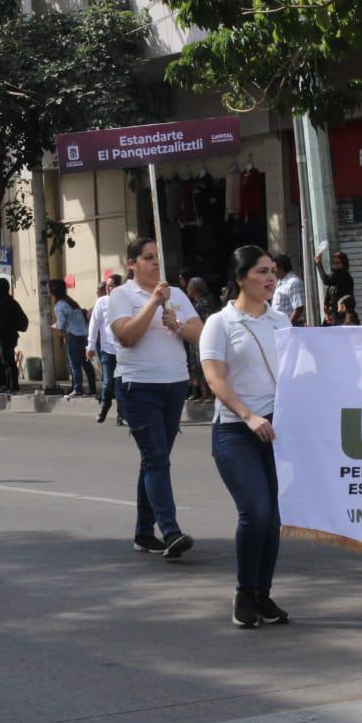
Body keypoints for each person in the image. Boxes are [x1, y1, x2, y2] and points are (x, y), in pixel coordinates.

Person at [200, 246, 292, 628]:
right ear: (240, 278)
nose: (271, 278)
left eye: (273, 271)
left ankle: (261, 595)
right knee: (255, 511)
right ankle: (243, 591)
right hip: (236, 430)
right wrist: (249, 415)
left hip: (277, 429)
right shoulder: (219, 324)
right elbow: (215, 379)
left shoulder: (281, 320)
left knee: (273, 518)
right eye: (261, 272)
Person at [108, 237, 203, 559]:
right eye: (148, 258)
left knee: (153, 460)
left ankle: (143, 532)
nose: (155, 263)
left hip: (174, 384)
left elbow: (200, 333)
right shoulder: (121, 296)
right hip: (139, 386)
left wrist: (176, 323)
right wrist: (153, 304)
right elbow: (127, 336)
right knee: (157, 459)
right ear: (132, 263)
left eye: (158, 258)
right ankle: (170, 530)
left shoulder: (175, 294)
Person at [87, 274, 125, 424]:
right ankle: (105, 405)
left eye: (111, 286)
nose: (108, 289)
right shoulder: (101, 302)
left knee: (120, 383)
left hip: (123, 349)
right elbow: (94, 324)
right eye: (107, 286)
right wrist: (90, 345)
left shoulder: (125, 301)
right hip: (107, 349)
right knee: (108, 381)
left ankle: (121, 414)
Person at [50, 278, 95, 398]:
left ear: (53, 291)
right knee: (86, 364)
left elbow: (61, 322)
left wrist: (55, 326)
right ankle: (92, 388)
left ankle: (78, 389)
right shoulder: (71, 301)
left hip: (73, 336)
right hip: (84, 334)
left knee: (74, 364)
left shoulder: (59, 305)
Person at [186, 277, 222, 403]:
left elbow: (207, 321)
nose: (187, 289)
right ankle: (205, 392)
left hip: (204, 338)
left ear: (195, 288)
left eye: (189, 287)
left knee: (206, 365)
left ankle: (212, 393)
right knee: (198, 366)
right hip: (197, 338)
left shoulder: (205, 302)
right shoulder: (196, 302)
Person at [0, 277, 27, 395]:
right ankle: (9, 385)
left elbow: (4, 322)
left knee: (8, 361)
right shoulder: (7, 301)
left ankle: (13, 385)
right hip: (7, 336)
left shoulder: (4, 303)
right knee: (7, 361)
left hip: (5, 336)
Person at [314, 250, 354, 318]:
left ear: (344, 264)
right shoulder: (334, 276)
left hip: (343, 314)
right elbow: (329, 292)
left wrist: (318, 263)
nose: (335, 265)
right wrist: (326, 306)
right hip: (333, 314)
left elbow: (325, 280)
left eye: (338, 263)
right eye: (333, 263)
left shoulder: (344, 275)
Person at [271, 254, 306, 326]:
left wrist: (288, 326)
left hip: (292, 327)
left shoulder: (293, 282)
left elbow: (298, 308)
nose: (272, 271)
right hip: (279, 326)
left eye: (274, 268)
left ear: (281, 267)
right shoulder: (280, 282)